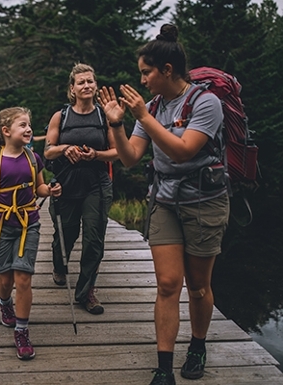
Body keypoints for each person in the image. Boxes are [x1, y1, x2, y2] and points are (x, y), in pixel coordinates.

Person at [98, 24, 229, 385]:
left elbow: (184, 150)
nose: (142, 80)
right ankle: (164, 367)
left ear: (166, 71)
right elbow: (130, 158)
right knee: (168, 284)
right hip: (165, 202)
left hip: (204, 203)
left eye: (146, 72)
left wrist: (143, 117)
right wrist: (118, 125)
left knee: (198, 286)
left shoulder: (206, 103)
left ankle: (198, 345)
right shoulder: (153, 106)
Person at [0, 107, 62, 360]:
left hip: (29, 222)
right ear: (6, 131)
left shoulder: (33, 158)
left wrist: (49, 191)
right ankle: (4, 303)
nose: (28, 129)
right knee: (6, 279)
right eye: (23, 125)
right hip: (2, 225)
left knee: (23, 277)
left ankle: (22, 330)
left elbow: (39, 187)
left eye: (29, 124)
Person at [44, 63, 118, 315]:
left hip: (96, 185)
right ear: (72, 89)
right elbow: (48, 150)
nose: (86, 85)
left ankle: (86, 292)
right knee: (65, 234)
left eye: (90, 81)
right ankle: (59, 267)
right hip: (65, 185)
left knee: (94, 240)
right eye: (81, 82)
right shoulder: (61, 116)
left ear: (95, 86)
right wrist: (65, 149)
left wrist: (96, 154)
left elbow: (118, 151)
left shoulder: (104, 116)